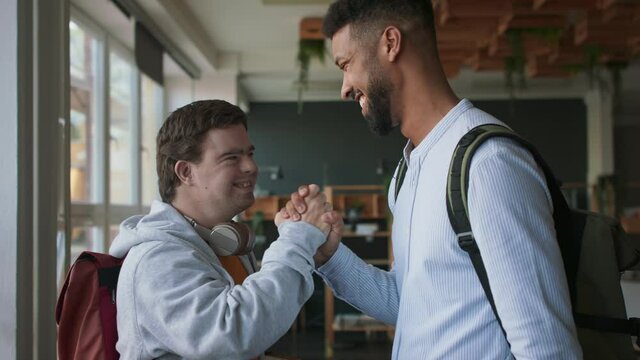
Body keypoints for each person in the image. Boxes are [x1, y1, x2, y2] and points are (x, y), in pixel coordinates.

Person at [282, 0, 582, 358]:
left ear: (391, 43)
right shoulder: (406, 173)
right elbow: (409, 305)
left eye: (346, 65)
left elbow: (547, 345)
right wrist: (327, 255)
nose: (345, 88)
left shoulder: (489, 163)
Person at [109, 99, 342, 359]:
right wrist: (298, 239)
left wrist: (311, 254)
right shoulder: (156, 259)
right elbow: (232, 336)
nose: (251, 167)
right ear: (186, 172)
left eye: (249, 154)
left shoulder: (222, 242)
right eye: (231, 157)